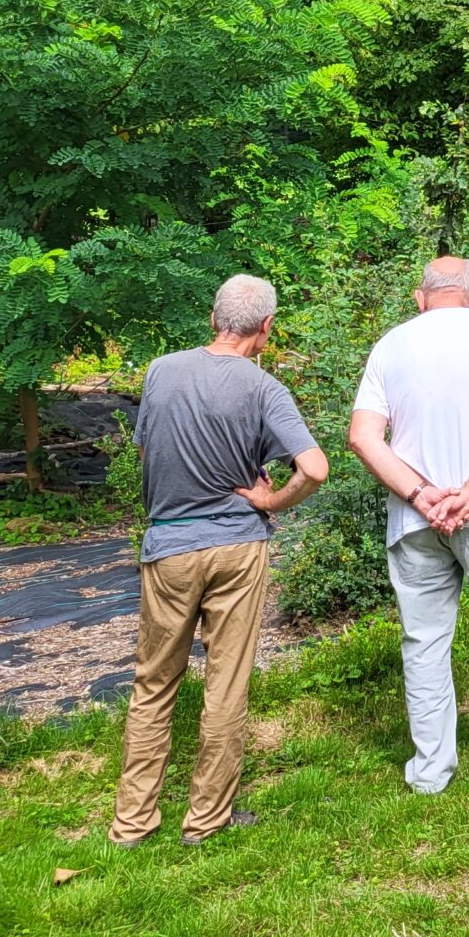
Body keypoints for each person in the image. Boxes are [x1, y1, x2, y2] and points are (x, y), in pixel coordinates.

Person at [112, 274, 329, 847]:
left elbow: (146, 446)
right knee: (226, 685)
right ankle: (206, 820)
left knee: (153, 683)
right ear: (266, 329)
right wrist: (269, 500)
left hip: (169, 545)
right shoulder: (264, 390)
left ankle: (133, 823)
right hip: (237, 547)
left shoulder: (161, 371)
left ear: (213, 318)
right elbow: (315, 468)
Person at [349, 255, 469, 793]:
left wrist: (422, 494)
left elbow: (363, 436)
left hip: (414, 518)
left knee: (425, 642)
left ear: (421, 297)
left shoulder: (391, 345)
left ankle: (432, 768)